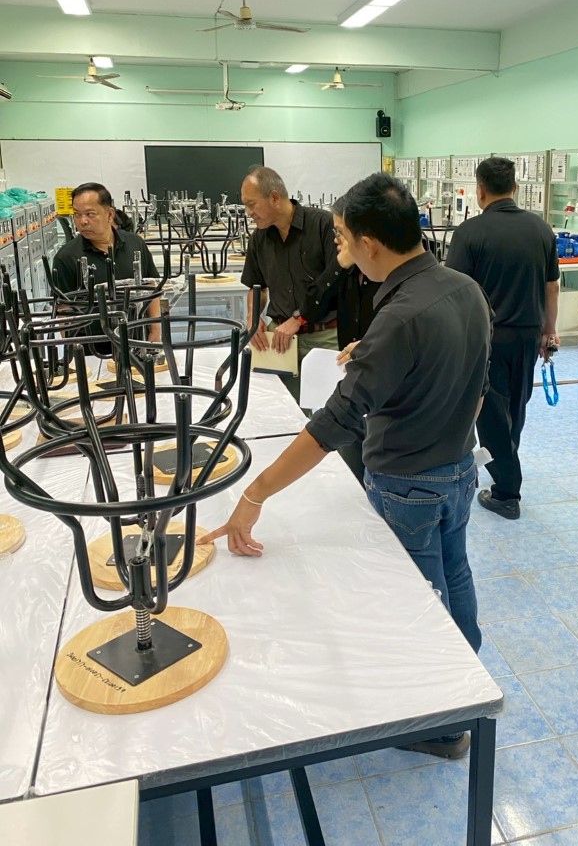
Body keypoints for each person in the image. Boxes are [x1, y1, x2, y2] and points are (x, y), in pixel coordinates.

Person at [201, 173, 493, 759]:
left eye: (341, 237)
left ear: (370, 244)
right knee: (454, 574)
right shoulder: (461, 288)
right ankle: (464, 687)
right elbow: (467, 372)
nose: (338, 248)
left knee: (417, 597)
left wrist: (255, 494)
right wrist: (379, 355)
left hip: (409, 484)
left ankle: (440, 722)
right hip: (458, 469)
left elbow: (335, 423)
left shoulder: (401, 316)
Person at [446, 156, 559, 519]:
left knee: (491, 413)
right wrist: (550, 331)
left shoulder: (469, 233)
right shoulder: (541, 229)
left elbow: (456, 291)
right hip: (528, 335)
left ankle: (507, 491)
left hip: (487, 336)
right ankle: (506, 468)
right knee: (514, 409)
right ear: (515, 188)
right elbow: (552, 286)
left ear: (479, 191)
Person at [240, 166, 338, 401]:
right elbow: (257, 287)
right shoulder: (259, 238)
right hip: (279, 340)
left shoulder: (323, 225)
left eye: (252, 204)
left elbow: (337, 282)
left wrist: (298, 319)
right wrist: (253, 316)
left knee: (330, 409)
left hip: (324, 336)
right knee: (280, 407)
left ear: (274, 197)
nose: (248, 213)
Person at [304, 194, 381, 485]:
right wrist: (339, 265)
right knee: (352, 472)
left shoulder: (387, 276)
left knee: (378, 476)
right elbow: (311, 309)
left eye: (341, 233)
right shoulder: (347, 272)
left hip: (382, 396)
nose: (336, 239)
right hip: (350, 389)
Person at [52, 182, 160, 343]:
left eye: (90, 214)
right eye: (77, 214)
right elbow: (63, 309)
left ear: (109, 214)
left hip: (137, 339)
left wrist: (155, 330)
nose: (82, 221)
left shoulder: (135, 243)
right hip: (91, 345)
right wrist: (72, 348)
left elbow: (151, 287)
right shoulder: (66, 257)